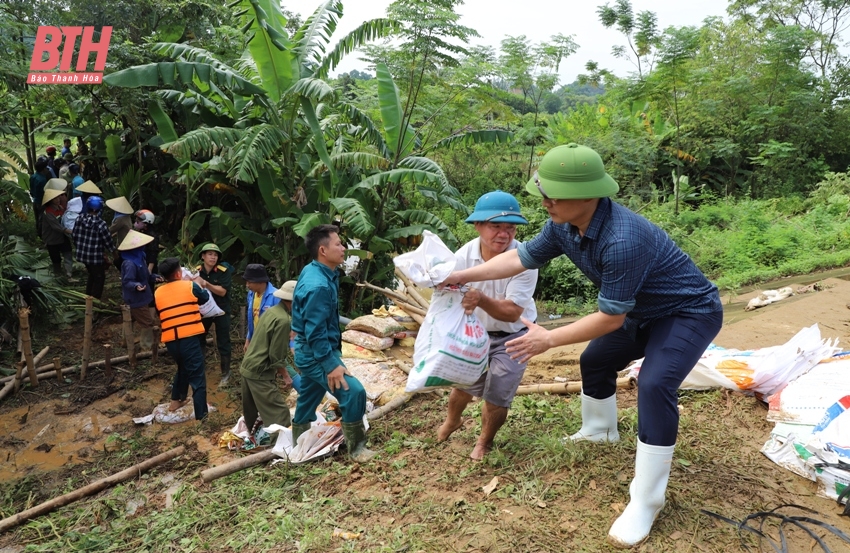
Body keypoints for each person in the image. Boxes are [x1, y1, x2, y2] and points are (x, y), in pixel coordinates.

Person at [441, 143, 723, 548]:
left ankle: (647, 500)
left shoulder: (623, 238)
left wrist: (549, 337)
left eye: (552, 195)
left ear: (587, 195)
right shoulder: (563, 226)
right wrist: (460, 275)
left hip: (687, 313)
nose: (544, 202)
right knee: (595, 359)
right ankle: (599, 430)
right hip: (642, 313)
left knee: (655, 383)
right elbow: (520, 259)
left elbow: (610, 317)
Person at [436, 191, 538, 460]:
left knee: (497, 394)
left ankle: (484, 441)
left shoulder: (525, 259)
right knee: (462, 385)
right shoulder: (463, 257)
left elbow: (512, 312)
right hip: (475, 332)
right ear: (478, 225)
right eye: (495, 226)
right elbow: (446, 297)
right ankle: (452, 420)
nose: (504, 234)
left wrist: (480, 299)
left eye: (510, 228)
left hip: (515, 336)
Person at [290, 224, 375, 462]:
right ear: (323, 250)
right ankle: (357, 448)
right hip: (317, 353)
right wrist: (331, 364)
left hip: (312, 350)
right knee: (353, 391)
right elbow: (314, 331)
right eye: (338, 243)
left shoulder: (318, 271)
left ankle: (300, 441)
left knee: (308, 395)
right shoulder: (317, 285)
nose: (344, 248)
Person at [239, 280, 300, 430]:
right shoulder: (283, 320)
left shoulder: (271, 311)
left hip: (248, 367)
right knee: (279, 412)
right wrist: (286, 376)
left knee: (251, 410)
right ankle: (281, 448)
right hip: (260, 371)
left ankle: (251, 435)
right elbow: (276, 355)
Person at [155, 257, 210, 420]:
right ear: (179, 273)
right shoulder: (190, 286)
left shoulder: (158, 292)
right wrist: (198, 283)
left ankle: (176, 400)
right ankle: (202, 417)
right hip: (190, 338)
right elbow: (205, 298)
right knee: (198, 377)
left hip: (171, 341)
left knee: (183, 367)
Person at [195, 243, 234, 385]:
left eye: (215, 254)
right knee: (199, 338)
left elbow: (222, 291)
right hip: (204, 310)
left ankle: (225, 373)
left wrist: (206, 284)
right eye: (210, 254)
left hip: (221, 310)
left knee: (223, 340)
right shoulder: (196, 271)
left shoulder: (224, 271)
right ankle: (200, 369)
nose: (213, 257)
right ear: (203, 256)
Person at [118, 230, 158, 351]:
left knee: (129, 318)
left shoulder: (140, 258)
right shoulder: (130, 263)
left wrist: (154, 277)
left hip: (140, 296)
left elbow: (145, 276)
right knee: (147, 322)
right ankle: (147, 346)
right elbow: (127, 281)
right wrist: (136, 286)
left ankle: (126, 341)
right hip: (136, 298)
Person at [72, 195, 116, 300]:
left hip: (83, 256)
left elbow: (74, 235)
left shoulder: (79, 218)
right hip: (95, 258)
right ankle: (94, 302)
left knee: (92, 275)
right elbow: (108, 241)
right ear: (99, 209)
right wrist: (114, 253)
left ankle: (88, 297)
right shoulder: (101, 224)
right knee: (99, 278)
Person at [243, 264, 279, 352]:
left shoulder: (276, 296)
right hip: (256, 340)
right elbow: (253, 319)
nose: (247, 285)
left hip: (271, 342)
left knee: (277, 363)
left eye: (250, 282)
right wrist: (248, 340)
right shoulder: (251, 294)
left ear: (260, 281)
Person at [40, 189, 74, 280]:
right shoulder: (48, 212)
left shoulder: (60, 208)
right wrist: (68, 231)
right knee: (56, 260)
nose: (58, 199)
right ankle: (58, 277)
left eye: (58, 197)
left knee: (68, 254)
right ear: (50, 200)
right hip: (52, 239)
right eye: (55, 198)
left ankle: (68, 275)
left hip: (62, 237)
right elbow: (56, 226)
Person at [30, 158, 51, 237]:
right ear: (43, 169)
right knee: (42, 220)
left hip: (35, 200)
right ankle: (42, 235)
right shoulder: (42, 179)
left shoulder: (33, 176)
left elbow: (31, 189)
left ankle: (38, 233)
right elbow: (45, 193)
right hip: (41, 201)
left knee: (37, 218)